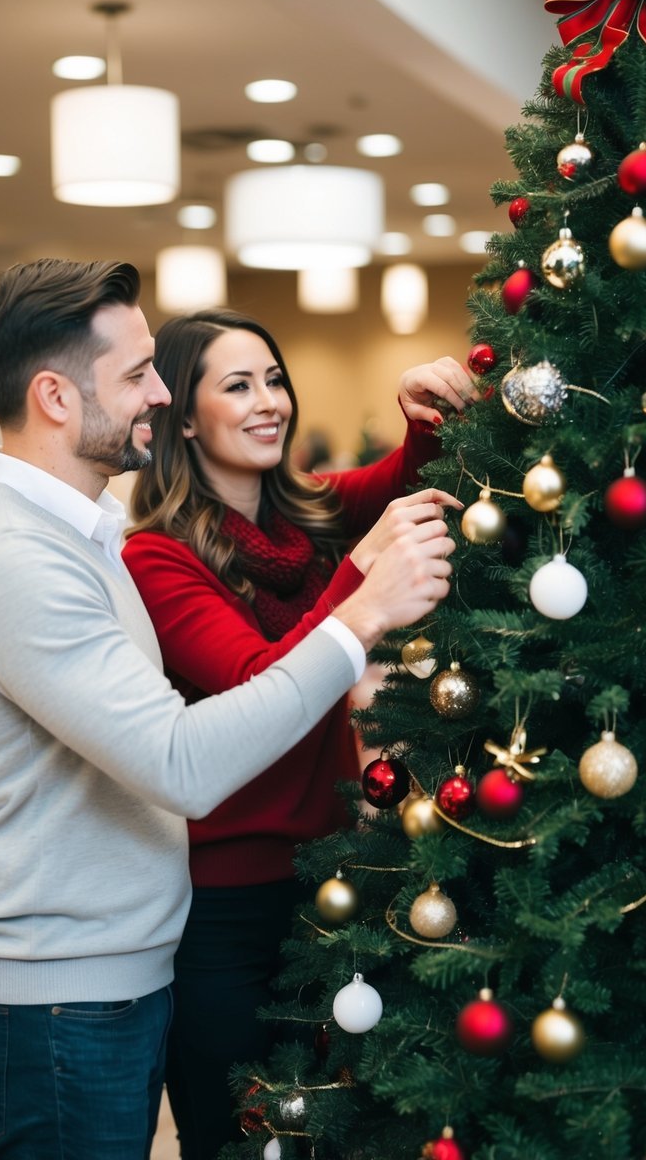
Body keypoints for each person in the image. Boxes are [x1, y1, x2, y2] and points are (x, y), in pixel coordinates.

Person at [0, 259, 458, 1160]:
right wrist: (363, 609)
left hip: (97, 980)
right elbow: (183, 764)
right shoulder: (19, 559)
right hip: (54, 996)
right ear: (54, 396)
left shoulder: (75, 535)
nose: (159, 393)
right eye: (136, 374)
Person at [122, 308, 478, 1159]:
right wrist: (358, 585)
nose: (267, 401)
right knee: (236, 1135)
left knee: (329, 1129)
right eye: (237, 385)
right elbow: (258, 681)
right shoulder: (157, 557)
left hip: (327, 888)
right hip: (218, 913)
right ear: (182, 416)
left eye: (273, 379)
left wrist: (420, 403)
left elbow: (406, 480)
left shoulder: (308, 513)